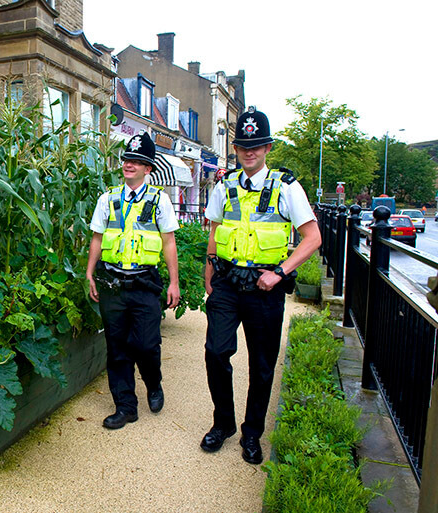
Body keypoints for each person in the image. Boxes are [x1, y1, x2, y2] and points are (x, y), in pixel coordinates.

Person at [200, 107, 321, 463]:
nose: (248, 152)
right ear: (235, 149)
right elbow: (214, 231)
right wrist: (209, 275)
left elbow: (312, 238)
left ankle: (252, 433)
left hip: (265, 288)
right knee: (215, 352)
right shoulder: (224, 185)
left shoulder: (286, 187)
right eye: (242, 146)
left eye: (256, 146)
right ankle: (223, 423)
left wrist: (280, 272)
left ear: (267, 148)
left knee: (262, 364)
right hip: (226, 283)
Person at [86, 132, 181, 430]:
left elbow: (169, 243)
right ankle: (126, 407)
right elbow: (97, 238)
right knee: (117, 348)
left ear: (148, 169)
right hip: (112, 282)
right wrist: (90, 272)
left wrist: (173, 283)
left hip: (144, 284)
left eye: (137, 161)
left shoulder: (159, 200)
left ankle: (154, 384)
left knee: (146, 345)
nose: (129, 165)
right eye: (127, 159)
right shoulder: (108, 198)